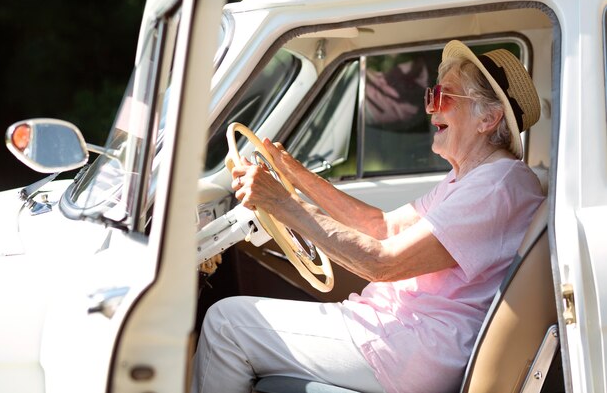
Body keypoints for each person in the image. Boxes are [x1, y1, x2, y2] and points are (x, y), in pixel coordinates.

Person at [190, 40, 545, 393]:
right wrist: (295, 177)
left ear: (488, 117)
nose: (431, 110)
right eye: (431, 96)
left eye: (444, 98)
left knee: (226, 324)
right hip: (402, 332)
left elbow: (383, 263)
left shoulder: (496, 185)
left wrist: (283, 203)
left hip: (412, 345)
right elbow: (383, 227)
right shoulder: (474, 177)